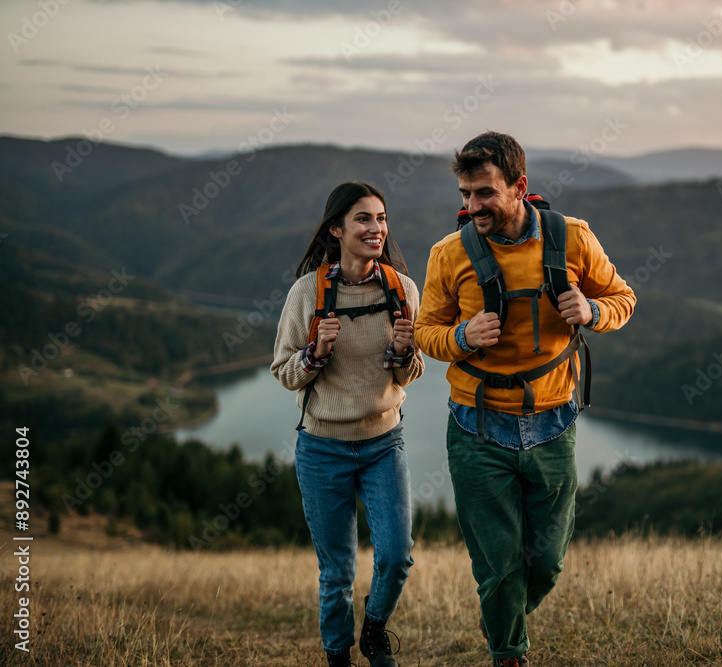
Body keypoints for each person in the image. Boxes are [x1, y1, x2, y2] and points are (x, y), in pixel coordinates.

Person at [414, 132, 636, 666]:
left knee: (547, 563)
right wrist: (463, 337)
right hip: (476, 425)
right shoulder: (448, 256)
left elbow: (622, 297)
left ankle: (503, 609)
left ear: (520, 187)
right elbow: (425, 332)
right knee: (498, 562)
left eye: (485, 193)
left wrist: (592, 313)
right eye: (467, 193)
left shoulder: (574, 239)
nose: (473, 206)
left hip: (554, 421)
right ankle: (507, 650)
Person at [272, 182, 424, 667]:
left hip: (384, 442)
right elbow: (283, 371)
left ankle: (374, 629)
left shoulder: (403, 290)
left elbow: (410, 373)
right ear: (336, 229)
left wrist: (404, 352)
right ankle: (339, 655)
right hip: (322, 448)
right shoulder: (308, 293)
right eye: (363, 219)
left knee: (397, 555)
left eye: (381, 219)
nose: (376, 228)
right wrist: (314, 354)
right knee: (336, 572)